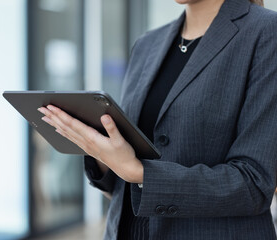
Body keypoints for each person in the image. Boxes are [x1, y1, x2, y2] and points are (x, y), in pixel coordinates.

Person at [37, 0, 277, 239]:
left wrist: (139, 172)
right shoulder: (147, 44)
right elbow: (124, 187)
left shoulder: (266, 32)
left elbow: (254, 183)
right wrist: (102, 153)